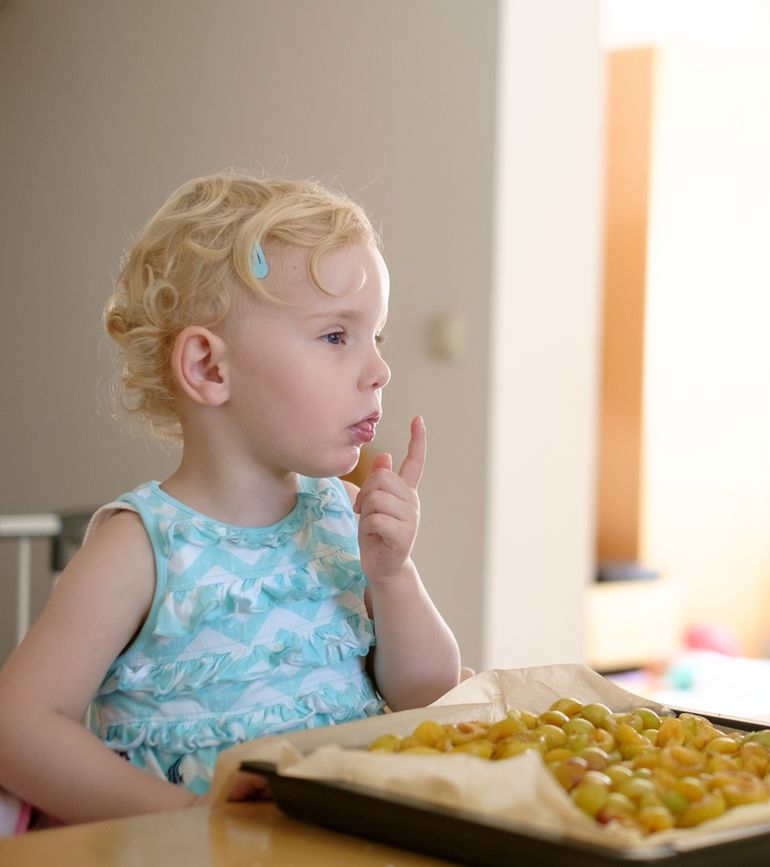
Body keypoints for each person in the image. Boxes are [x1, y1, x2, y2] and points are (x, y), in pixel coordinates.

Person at [0, 174, 461, 825]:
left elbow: (430, 694)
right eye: (336, 336)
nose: (379, 370)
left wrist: (393, 577)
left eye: (375, 338)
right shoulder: (142, 547)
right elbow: (18, 727)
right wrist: (189, 812)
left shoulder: (340, 518)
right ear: (209, 368)